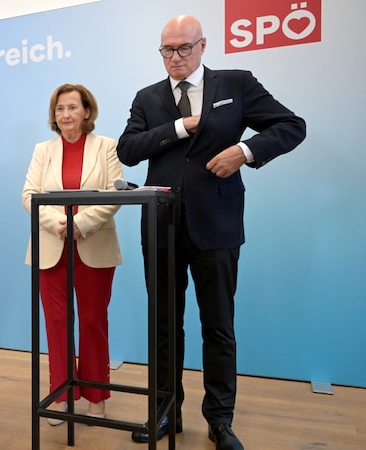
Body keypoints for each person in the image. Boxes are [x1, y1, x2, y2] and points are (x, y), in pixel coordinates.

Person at [117, 15, 306, 450]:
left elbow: (291, 126)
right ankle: (166, 412)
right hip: (161, 227)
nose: (175, 57)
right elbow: (128, 149)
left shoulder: (236, 83)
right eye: (167, 50)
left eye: (184, 48)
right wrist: (181, 127)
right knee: (164, 325)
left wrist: (245, 151)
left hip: (217, 225)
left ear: (203, 46)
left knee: (218, 326)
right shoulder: (147, 97)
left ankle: (220, 420)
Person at [22, 84, 124, 426]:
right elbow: (29, 195)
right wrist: (59, 224)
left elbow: (115, 195)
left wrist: (80, 223)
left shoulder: (107, 147)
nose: (65, 114)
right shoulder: (43, 150)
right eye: (59, 109)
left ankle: (96, 395)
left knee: (94, 321)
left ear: (87, 112)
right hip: (52, 247)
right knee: (56, 323)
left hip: (93, 246)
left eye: (72, 108)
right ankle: (62, 395)